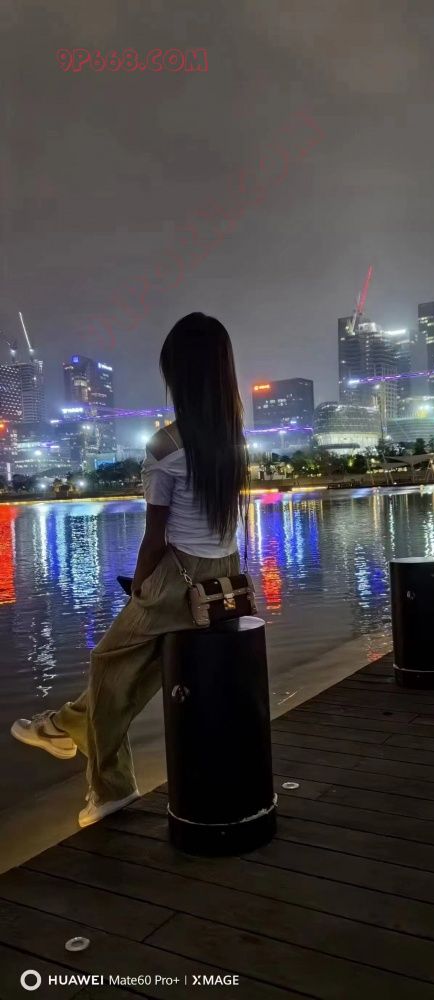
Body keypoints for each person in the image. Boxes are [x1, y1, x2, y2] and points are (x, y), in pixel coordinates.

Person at [11, 313, 251, 828]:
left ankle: (107, 784)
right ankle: (63, 730)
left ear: (179, 375)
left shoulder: (166, 445)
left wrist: (141, 587)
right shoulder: (234, 440)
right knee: (135, 672)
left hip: (176, 576)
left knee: (107, 663)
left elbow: (155, 534)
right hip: (224, 576)